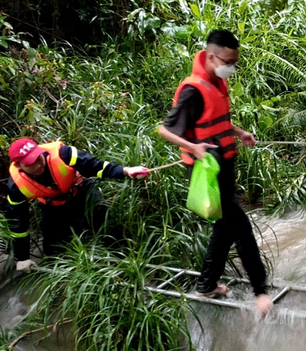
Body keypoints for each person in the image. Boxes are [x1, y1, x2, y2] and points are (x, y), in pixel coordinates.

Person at [158, 29, 273, 316]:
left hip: (225, 163)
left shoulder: (217, 82)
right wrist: (193, 147)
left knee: (224, 227)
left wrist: (241, 132)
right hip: (206, 170)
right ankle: (260, 291)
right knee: (240, 225)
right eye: (227, 61)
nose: (231, 67)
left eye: (234, 62)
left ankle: (207, 284)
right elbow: (165, 130)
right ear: (211, 56)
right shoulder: (192, 90)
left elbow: (217, 120)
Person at [5, 138, 148, 271]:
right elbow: (18, 222)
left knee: (104, 219)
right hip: (54, 206)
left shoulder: (62, 153)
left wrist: (126, 171)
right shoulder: (16, 187)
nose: (37, 165)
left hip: (81, 191)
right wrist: (22, 257)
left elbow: (95, 166)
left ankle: (122, 257)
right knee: (52, 251)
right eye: (30, 163)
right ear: (19, 165)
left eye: (38, 158)